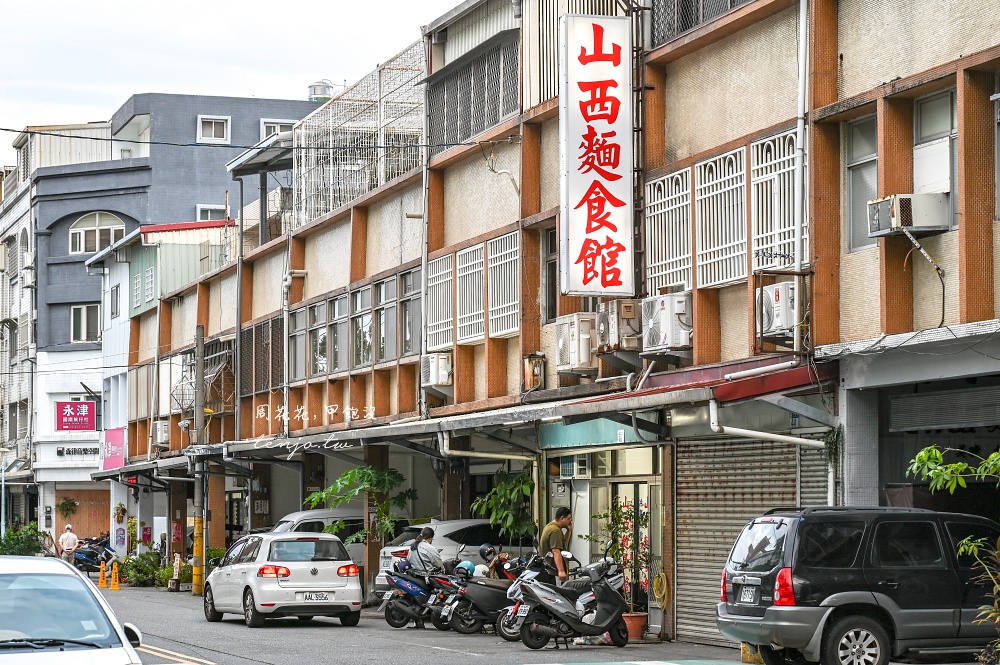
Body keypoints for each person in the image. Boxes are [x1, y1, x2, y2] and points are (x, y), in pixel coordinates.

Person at [539, 507, 573, 583]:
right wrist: (561, 571)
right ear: (562, 518)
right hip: (552, 571)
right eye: (568, 519)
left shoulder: (550, 526)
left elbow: (562, 544)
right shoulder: (555, 530)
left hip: (548, 569)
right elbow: (556, 551)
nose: (570, 521)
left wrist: (569, 530)